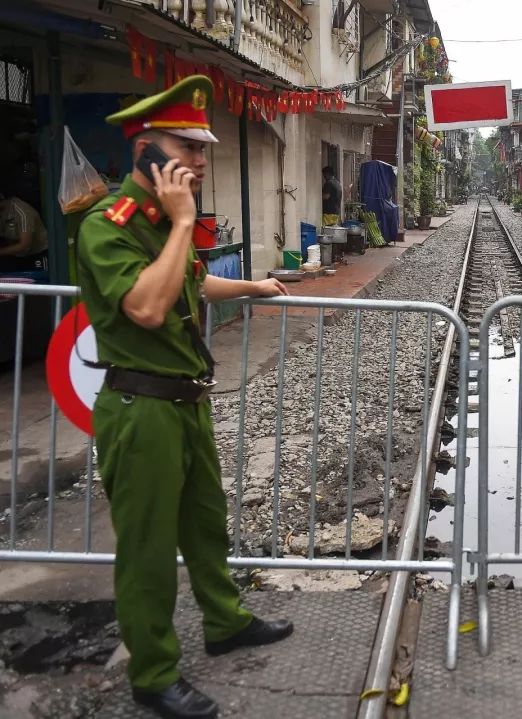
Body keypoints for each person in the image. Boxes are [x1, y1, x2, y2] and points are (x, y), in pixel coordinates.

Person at [77, 75, 294, 719]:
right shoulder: (108, 224)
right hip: (139, 410)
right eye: (187, 148)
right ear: (146, 151)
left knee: (205, 525)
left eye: (203, 149)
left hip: (185, 401)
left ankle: (225, 623)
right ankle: (153, 674)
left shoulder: (154, 223)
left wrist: (256, 286)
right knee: (146, 549)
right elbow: (147, 305)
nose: (200, 161)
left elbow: (192, 285)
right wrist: (178, 223)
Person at [0, 184, 48, 271]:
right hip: (14, 256)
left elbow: (24, 244)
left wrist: (1, 252)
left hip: (36, 254)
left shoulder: (21, 211)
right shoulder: (2, 212)